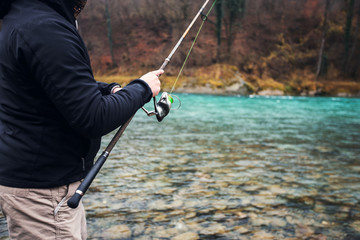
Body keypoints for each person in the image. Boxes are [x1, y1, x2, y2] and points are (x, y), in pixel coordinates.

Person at [0, 0, 162, 239]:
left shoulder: (25, 17)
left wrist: (109, 90)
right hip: (44, 193)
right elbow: (93, 117)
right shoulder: (44, 28)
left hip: (40, 185)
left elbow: (54, 82)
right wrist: (142, 89)